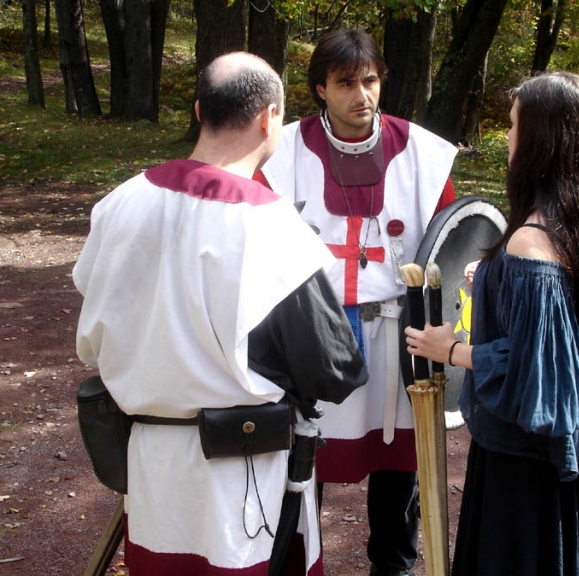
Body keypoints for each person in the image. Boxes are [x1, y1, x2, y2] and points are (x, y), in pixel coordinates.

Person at [73, 52, 367, 576]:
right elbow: (335, 367)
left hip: (151, 461)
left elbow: (100, 320)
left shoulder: (119, 203)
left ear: (198, 108)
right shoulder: (269, 226)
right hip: (241, 474)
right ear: (269, 117)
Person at [405, 71, 579, 576]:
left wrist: (451, 348)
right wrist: (492, 279)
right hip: (578, 454)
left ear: (540, 141)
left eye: (513, 126)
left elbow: (534, 370)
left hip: (529, 466)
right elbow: (574, 335)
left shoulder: (531, 242)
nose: (507, 137)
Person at [256, 29, 458, 576]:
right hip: (313, 333)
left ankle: (392, 569)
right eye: (346, 83)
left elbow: (452, 251)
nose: (361, 95)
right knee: (303, 460)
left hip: (399, 337)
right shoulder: (282, 154)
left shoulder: (424, 153)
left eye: (369, 80)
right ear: (320, 87)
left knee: (399, 472)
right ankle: (296, 566)